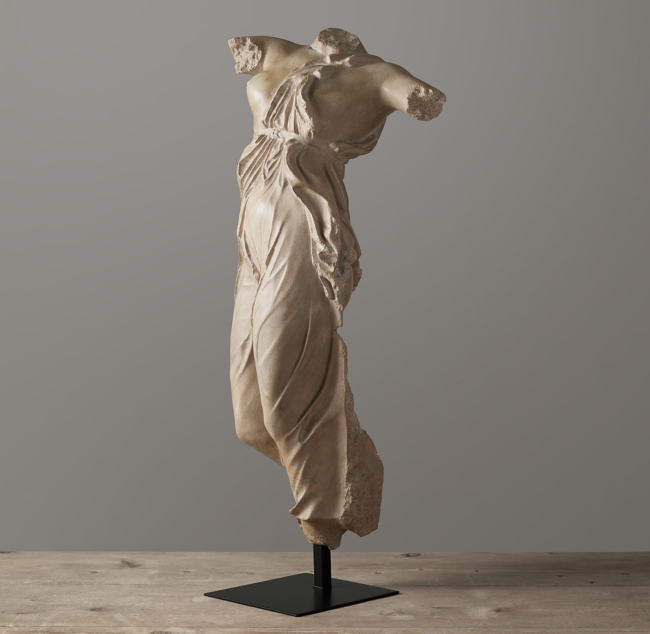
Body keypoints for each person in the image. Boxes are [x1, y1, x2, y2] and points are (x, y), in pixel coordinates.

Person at [228, 28, 445, 549]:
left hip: (303, 219)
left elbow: (423, 99)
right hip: (252, 232)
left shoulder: (377, 75)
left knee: (284, 398)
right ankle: (341, 466)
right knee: (251, 422)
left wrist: (410, 94)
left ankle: (327, 509)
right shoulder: (272, 51)